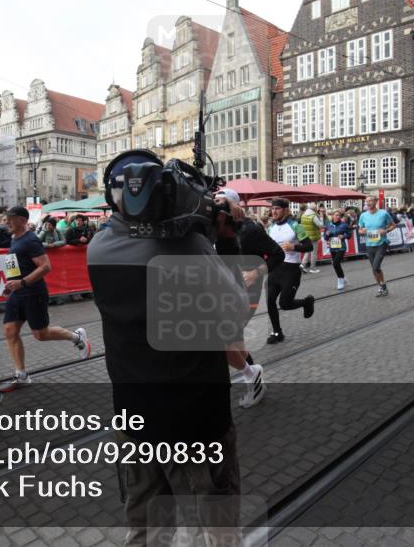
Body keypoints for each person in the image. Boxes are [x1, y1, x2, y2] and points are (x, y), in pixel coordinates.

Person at [87, 150, 250, 545]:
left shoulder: (98, 248)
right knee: (216, 521)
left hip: (134, 415)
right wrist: (224, 239)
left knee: (146, 526)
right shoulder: (191, 249)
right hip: (194, 417)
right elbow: (235, 315)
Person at [0, 206, 90, 392]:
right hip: (18, 293)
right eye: (6, 218)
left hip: (33, 292)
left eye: (10, 218)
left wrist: (22, 282)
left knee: (41, 334)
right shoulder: (14, 239)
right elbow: (17, 266)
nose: (6, 221)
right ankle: (21, 375)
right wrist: (11, 284)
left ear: (22, 220)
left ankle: (77, 337)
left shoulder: (31, 240)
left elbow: (46, 267)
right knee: (10, 331)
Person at [216, 188, 285, 409]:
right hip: (223, 292)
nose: (217, 209)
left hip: (246, 292)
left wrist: (256, 273)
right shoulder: (211, 229)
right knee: (234, 342)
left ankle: (252, 378)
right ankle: (253, 380)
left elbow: (278, 253)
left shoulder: (250, 229)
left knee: (223, 339)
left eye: (222, 204)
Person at [265, 198, 315, 344]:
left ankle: (306, 302)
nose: (273, 211)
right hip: (275, 269)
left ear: (285, 210)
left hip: (291, 269)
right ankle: (277, 332)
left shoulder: (295, 226)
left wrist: (294, 247)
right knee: (269, 301)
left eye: (277, 209)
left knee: (285, 304)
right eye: (272, 209)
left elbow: (309, 246)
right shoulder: (270, 227)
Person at [358, 196, 396, 296]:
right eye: (366, 202)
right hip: (369, 244)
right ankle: (382, 286)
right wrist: (362, 231)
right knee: (375, 269)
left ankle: (383, 287)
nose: (368, 203)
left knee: (376, 267)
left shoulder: (383, 213)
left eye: (370, 201)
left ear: (376, 201)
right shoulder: (363, 215)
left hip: (381, 243)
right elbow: (360, 230)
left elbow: (393, 225)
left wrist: (385, 230)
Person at [324, 210, 352, 291]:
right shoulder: (328, 225)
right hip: (333, 247)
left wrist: (343, 236)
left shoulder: (344, 225)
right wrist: (327, 234)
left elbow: (349, 235)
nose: (338, 216)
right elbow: (326, 238)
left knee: (336, 263)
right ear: (332, 216)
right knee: (336, 264)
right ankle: (343, 277)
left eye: (339, 215)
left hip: (341, 247)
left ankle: (340, 280)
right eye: (336, 215)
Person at [298, 204, 324, 273]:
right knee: (313, 252)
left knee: (308, 251)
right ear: (314, 209)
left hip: (306, 236)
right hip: (313, 236)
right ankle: (312, 268)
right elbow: (320, 225)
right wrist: (321, 217)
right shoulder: (313, 216)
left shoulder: (303, 215)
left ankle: (302, 264)